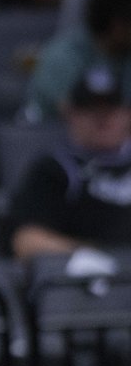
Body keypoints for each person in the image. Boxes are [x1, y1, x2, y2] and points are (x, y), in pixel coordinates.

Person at [9, 68, 131, 258]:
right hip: (84, 271)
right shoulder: (52, 169)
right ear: (71, 114)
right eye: (90, 109)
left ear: (127, 114)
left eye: (111, 108)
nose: (102, 117)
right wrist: (93, 256)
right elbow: (27, 241)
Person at [25, 0, 131, 123]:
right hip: (52, 133)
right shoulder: (63, 55)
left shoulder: (125, 55)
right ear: (118, 25)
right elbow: (76, 113)